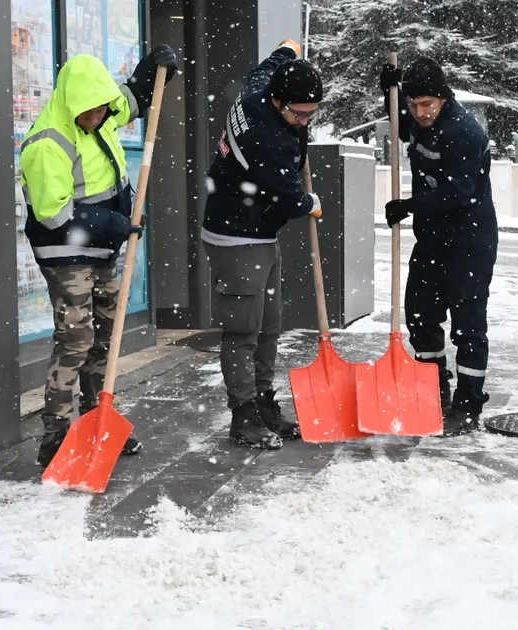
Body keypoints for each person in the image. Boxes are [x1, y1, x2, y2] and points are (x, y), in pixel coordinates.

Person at [20, 46, 179, 468]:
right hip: (66, 253)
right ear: (72, 105)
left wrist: (155, 66)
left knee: (106, 336)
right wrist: (113, 223)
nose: (98, 118)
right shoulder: (46, 143)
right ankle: (54, 436)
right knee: (75, 340)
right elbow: (53, 214)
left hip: (104, 246)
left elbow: (135, 97)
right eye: (89, 113)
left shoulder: (104, 111)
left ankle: (96, 420)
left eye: (101, 110)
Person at [201, 39, 322, 449]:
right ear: (277, 102)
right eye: (299, 114)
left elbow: (268, 65)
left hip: (259, 233)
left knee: (270, 324)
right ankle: (244, 414)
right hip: (236, 236)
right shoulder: (265, 141)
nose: (305, 121)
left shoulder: (259, 88)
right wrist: (311, 202)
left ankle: (264, 400)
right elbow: (290, 199)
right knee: (243, 330)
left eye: (311, 113)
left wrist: (286, 49)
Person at [380, 57, 498, 437]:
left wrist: (409, 206)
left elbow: (456, 194)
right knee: (420, 315)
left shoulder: (465, 134)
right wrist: (390, 90)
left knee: (467, 327)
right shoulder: (416, 118)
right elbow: (401, 125)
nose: (420, 112)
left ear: (443, 98)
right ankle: (433, 388)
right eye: (414, 104)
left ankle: (468, 402)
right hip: (432, 240)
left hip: (469, 241)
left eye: (427, 104)